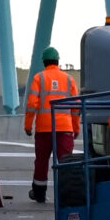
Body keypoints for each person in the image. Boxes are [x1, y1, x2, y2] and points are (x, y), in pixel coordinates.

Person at [24, 46, 79, 203]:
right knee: (65, 162)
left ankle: (39, 194)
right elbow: (76, 107)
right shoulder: (69, 79)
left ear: (44, 62)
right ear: (58, 61)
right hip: (65, 128)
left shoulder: (39, 78)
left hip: (44, 129)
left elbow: (32, 104)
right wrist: (76, 128)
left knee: (41, 161)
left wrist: (28, 125)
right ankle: (65, 195)